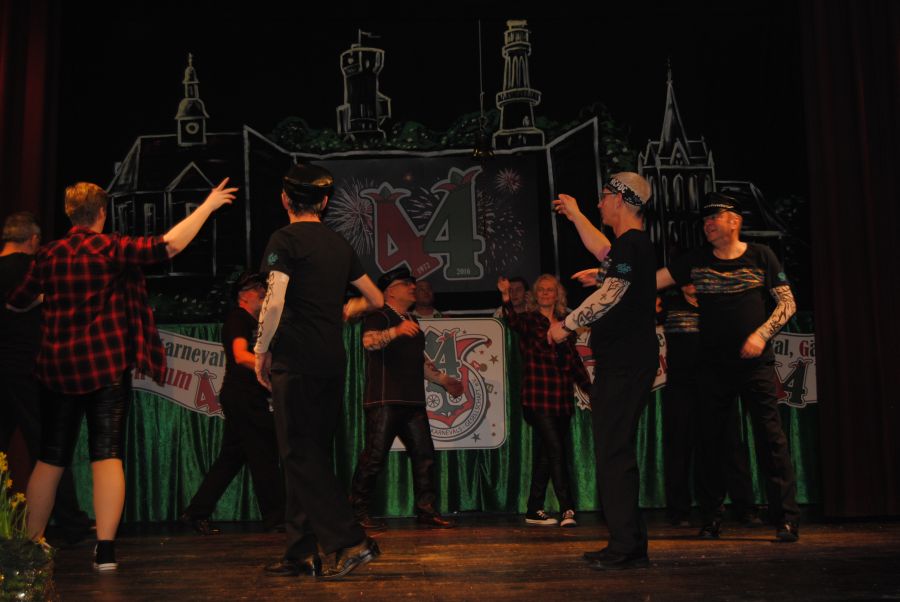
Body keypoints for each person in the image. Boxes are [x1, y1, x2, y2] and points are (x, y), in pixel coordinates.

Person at [7, 179, 237, 571]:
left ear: (69, 213)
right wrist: (208, 205)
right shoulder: (111, 248)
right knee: (106, 453)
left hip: (59, 369)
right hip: (106, 366)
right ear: (102, 212)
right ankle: (106, 550)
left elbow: (17, 303)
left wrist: (55, 295)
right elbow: (169, 245)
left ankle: (32, 545)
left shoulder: (48, 255)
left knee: (50, 456)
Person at [253, 163, 384, 579]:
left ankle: (351, 541)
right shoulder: (339, 244)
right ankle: (300, 551)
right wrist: (349, 308)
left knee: (299, 454)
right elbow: (377, 299)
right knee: (308, 456)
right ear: (325, 202)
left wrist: (260, 350)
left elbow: (274, 301)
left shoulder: (285, 239)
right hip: (330, 361)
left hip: (296, 360)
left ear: (285, 199)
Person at [656, 191, 800, 543]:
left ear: (734, 221)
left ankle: (785, 518)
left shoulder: (761, 255)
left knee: (771, 439)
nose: (707, 224)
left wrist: (761, 335)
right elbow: (650, 280)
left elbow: (787, 303)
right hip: (712, 367)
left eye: (714, 217)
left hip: (755, 366)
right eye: (704, 219)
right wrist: (610, 273)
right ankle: (711, 518)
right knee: (711, 442)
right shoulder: (696, 260)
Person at [548, 172, 657, 571]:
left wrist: (566, 325)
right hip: (627, 361)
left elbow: (612, 293)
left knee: (613, 451)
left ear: (620, 200)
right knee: (616, 449)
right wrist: (576, 215)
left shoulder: (633, 244)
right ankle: (631, 542)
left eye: (604, 196)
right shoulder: (631, 246)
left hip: (626, 363)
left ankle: (625, 544)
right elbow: (603, 252)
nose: (600, 203)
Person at [0, 212, 93, 546]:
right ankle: (72, 523)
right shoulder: (34, 267)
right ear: (34, 240)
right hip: (27, 367)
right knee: (48, 446)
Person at [349, 267, 463, 531]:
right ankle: (357, 511)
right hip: (385, 400)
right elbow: (369, 342)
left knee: (424, 456)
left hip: (413, 401)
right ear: (390, 291)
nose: (413, 287)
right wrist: (395, 331)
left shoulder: (411, 320)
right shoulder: (379, 315)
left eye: (413, 283)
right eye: (406, 284)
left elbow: (418, 361)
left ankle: (426, 510)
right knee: (374, 457)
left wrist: (443, 380)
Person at [179, 272, 285, 535]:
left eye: (263, 287)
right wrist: (271, 367)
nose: (262, 291)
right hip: (243, 396)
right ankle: (276, 519)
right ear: (243, 295)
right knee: (264, 454)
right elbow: (239, 355)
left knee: (231, 457)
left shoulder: (257, 323)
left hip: (247, 396)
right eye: (256, 288)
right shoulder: (239, 319)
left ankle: (196, 512)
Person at [499, 273, 590, 528]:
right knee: (556, 451)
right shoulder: (529, 321)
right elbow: (512, 320)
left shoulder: (566, 323)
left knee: (547, 454)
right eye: (541, 289)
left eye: (550, 289)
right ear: (535, 295)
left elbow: (573, 361)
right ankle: (567, 508)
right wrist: (506, 297)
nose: (546, 293)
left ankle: (533, 508)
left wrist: (590, 390)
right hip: (537, 398)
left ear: (558, 294)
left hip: (561, 398)